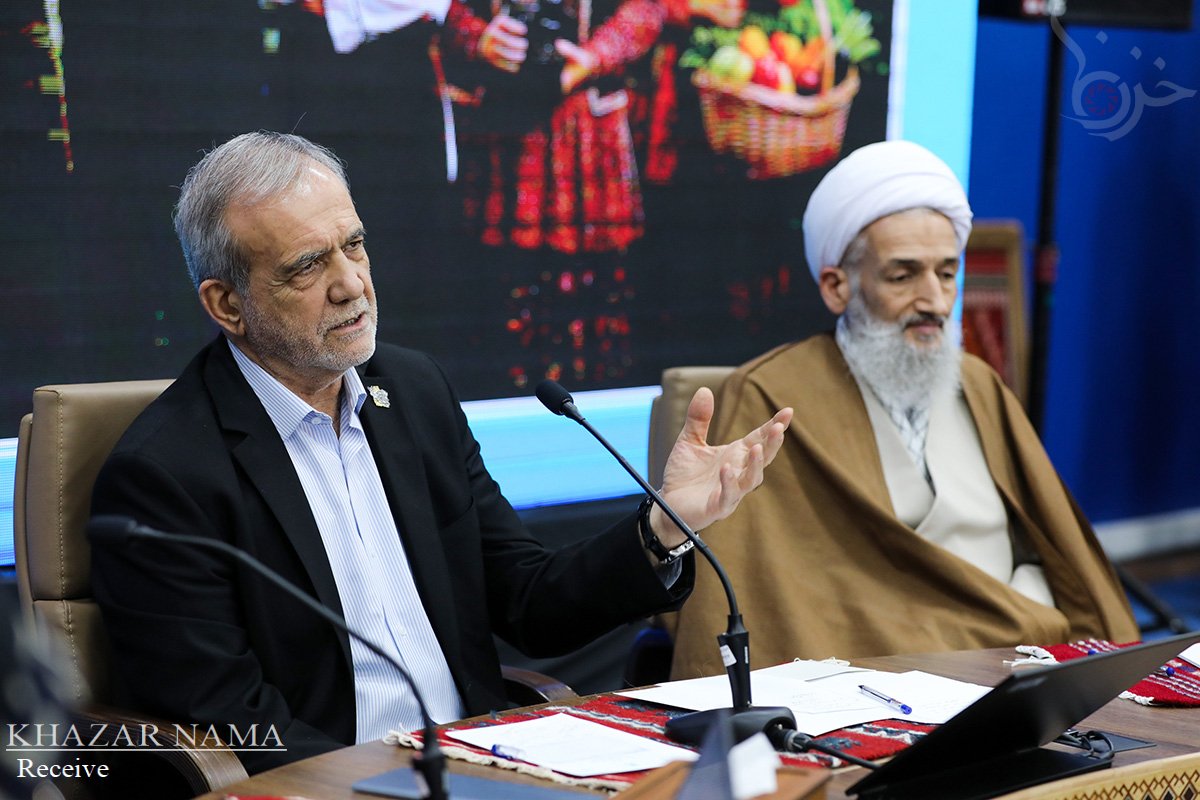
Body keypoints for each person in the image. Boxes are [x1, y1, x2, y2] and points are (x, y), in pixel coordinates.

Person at [88, 130, 791, 774]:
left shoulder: (413, 392)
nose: (351, 283)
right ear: (227, 304)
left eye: (354, 245)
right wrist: (403, 786)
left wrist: (662, 527)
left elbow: (527, 600)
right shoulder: (167, 473)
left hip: (482, 763)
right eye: (307, 266)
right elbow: (234, 721)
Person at [669, 140, 1139, 679]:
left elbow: (1052, 551)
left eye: (947, 273)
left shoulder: (979, 384)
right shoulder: (771, 396)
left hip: (1023, 658)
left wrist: (1032, 625)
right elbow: (775, 596)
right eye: (903, 275)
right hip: (888, 673)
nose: (935, 301)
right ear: (837, 286)